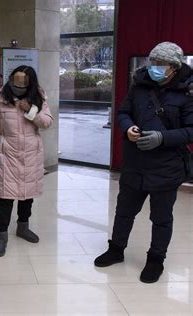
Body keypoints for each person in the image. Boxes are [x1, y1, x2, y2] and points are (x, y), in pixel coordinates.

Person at [94, 42, 193, 283]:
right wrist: (128, 128)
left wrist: (162, 137)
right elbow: (123, 113)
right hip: (135, 164)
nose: (154, 68)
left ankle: (155, 260)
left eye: (160, 64)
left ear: (174, 67)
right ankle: (116, 249)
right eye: (152, 62)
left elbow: (191, 130)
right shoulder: (139, 85)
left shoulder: (187, 92)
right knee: (124, 212)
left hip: (166, 167)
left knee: (161, 218)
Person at [0, 65, 53, 257]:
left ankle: (23, 227)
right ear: (10, 79)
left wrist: (32, 111)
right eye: (15, 81)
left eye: (23, 82)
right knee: (6, 196)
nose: (18, 86)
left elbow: (47, 123)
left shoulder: (39, 97)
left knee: (27, 194)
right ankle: (1, 236)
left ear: (30, 83)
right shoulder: (0, 100)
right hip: (8, 153)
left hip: (31, 153)